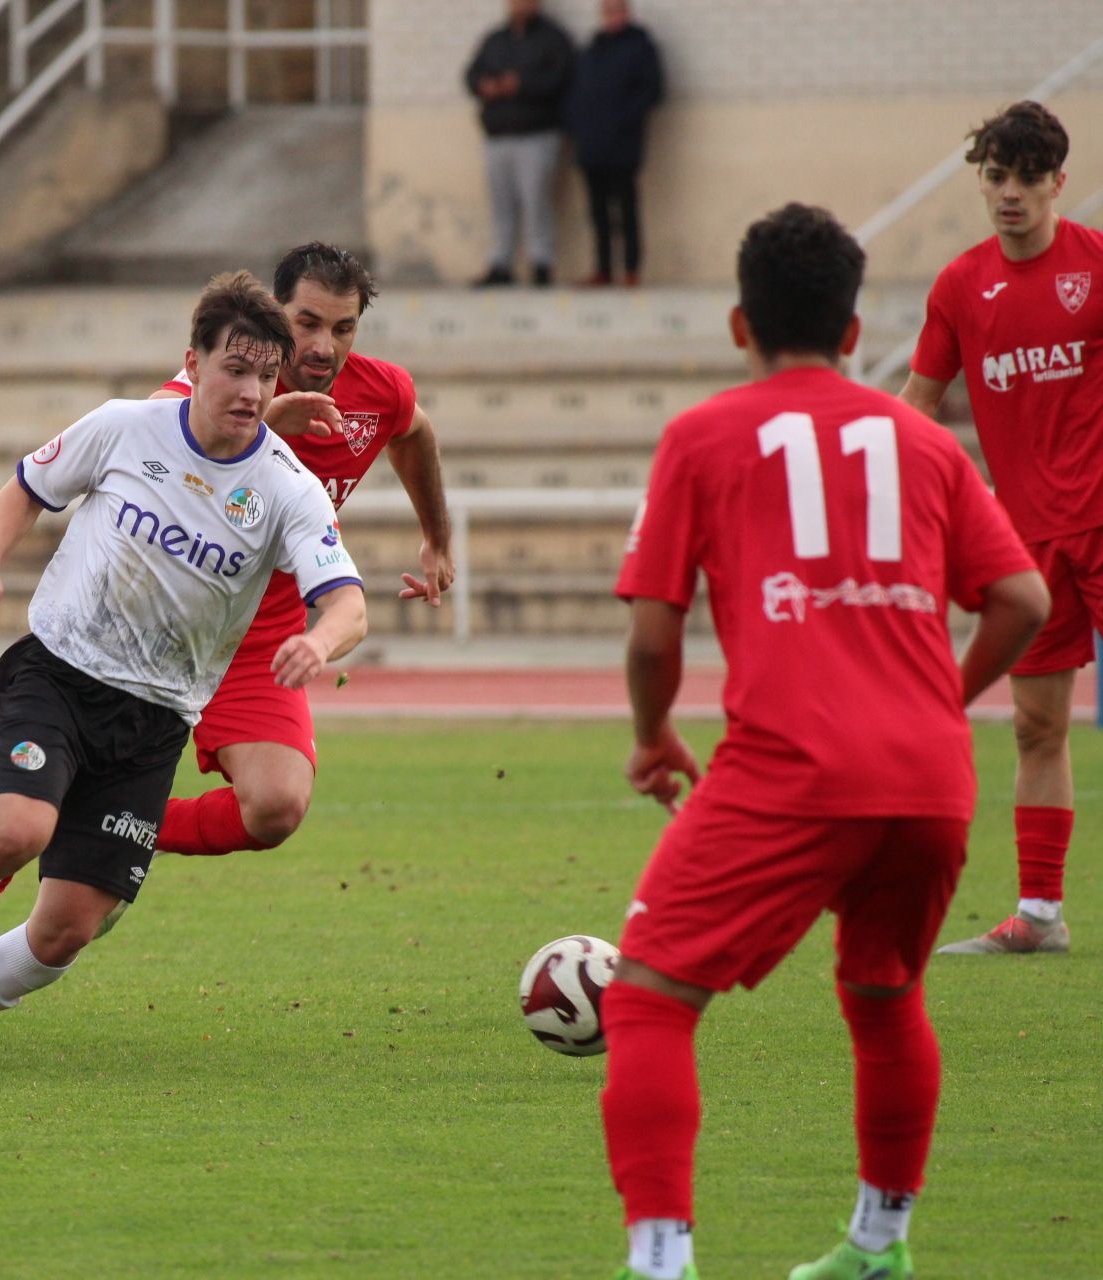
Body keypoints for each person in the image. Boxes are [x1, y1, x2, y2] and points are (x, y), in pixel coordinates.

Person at [601, 204, 1046, 1280]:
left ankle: (661, 1261)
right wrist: (946, 696)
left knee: (649, 995)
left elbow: (655, 632)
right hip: (931, 779)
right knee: (886, 992)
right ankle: (879, 1246)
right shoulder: (928, 443)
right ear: (855, 333)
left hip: (793, 764)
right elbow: (1022, 598)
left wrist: (655, 734)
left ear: (737, 322)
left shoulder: (704, 435)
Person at [0, 243, 453, 1040]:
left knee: (276, 809)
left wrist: (435, 538)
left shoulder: (375, 396)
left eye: (343, 328)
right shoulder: (187, 402)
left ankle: (102, 823)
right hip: (143, 641)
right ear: (273, 324)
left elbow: (413, 435)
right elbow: (100, 470)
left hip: (263, 638)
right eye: (307, 324)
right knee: (13, 833)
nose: (322, 346)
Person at [900, 100, 1103, 956]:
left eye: (1027, 178)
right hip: (1026, 543)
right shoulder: (959, 285)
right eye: (996, 177)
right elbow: (919, 407)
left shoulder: (1095, 267)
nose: (1010, 193)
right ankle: (1040, 916)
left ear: (1060, 181)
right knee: (1036, 727)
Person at [462, 0, 574, 287]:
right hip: (498, 134)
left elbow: (562, 78)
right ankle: (502, 263)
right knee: (501, 202)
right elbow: (471, 75)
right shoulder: (496, 39)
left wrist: (522, 84)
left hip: (536, 134)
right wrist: (484, 85)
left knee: (536, 198)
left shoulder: (553, 38)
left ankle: (541, 263)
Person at [564, 0, 662, 286]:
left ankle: (631, 269)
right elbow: (576, 92)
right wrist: (576, 126)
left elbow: (652, 91)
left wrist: (624, 121)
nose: (612, 16)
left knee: (626, 207)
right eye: (607, 11)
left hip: (622, 144)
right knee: (598, 211)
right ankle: (603, 269)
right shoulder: (592, 48)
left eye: (617, 10)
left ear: (627, 12)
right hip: (591, 145)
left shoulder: (640, 47)